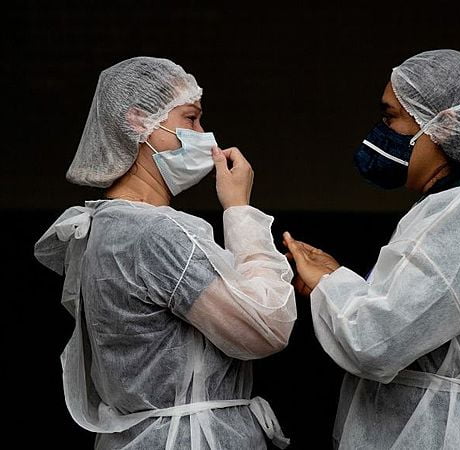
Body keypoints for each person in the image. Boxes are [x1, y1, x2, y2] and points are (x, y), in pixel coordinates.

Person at [283, 49, 460, 449]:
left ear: (444, 125)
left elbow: (376, 340)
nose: (380, 132)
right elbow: (414, 314)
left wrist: (330, 283)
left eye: (390, 118)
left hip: (449, 435)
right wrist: (340, 282)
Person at [34, 56, 294, 449]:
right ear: (139, 121)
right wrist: (240, 210)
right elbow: (266, 328)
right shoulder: (155, 233)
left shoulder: (104, 225)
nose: (205, 136)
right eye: (191, 119)